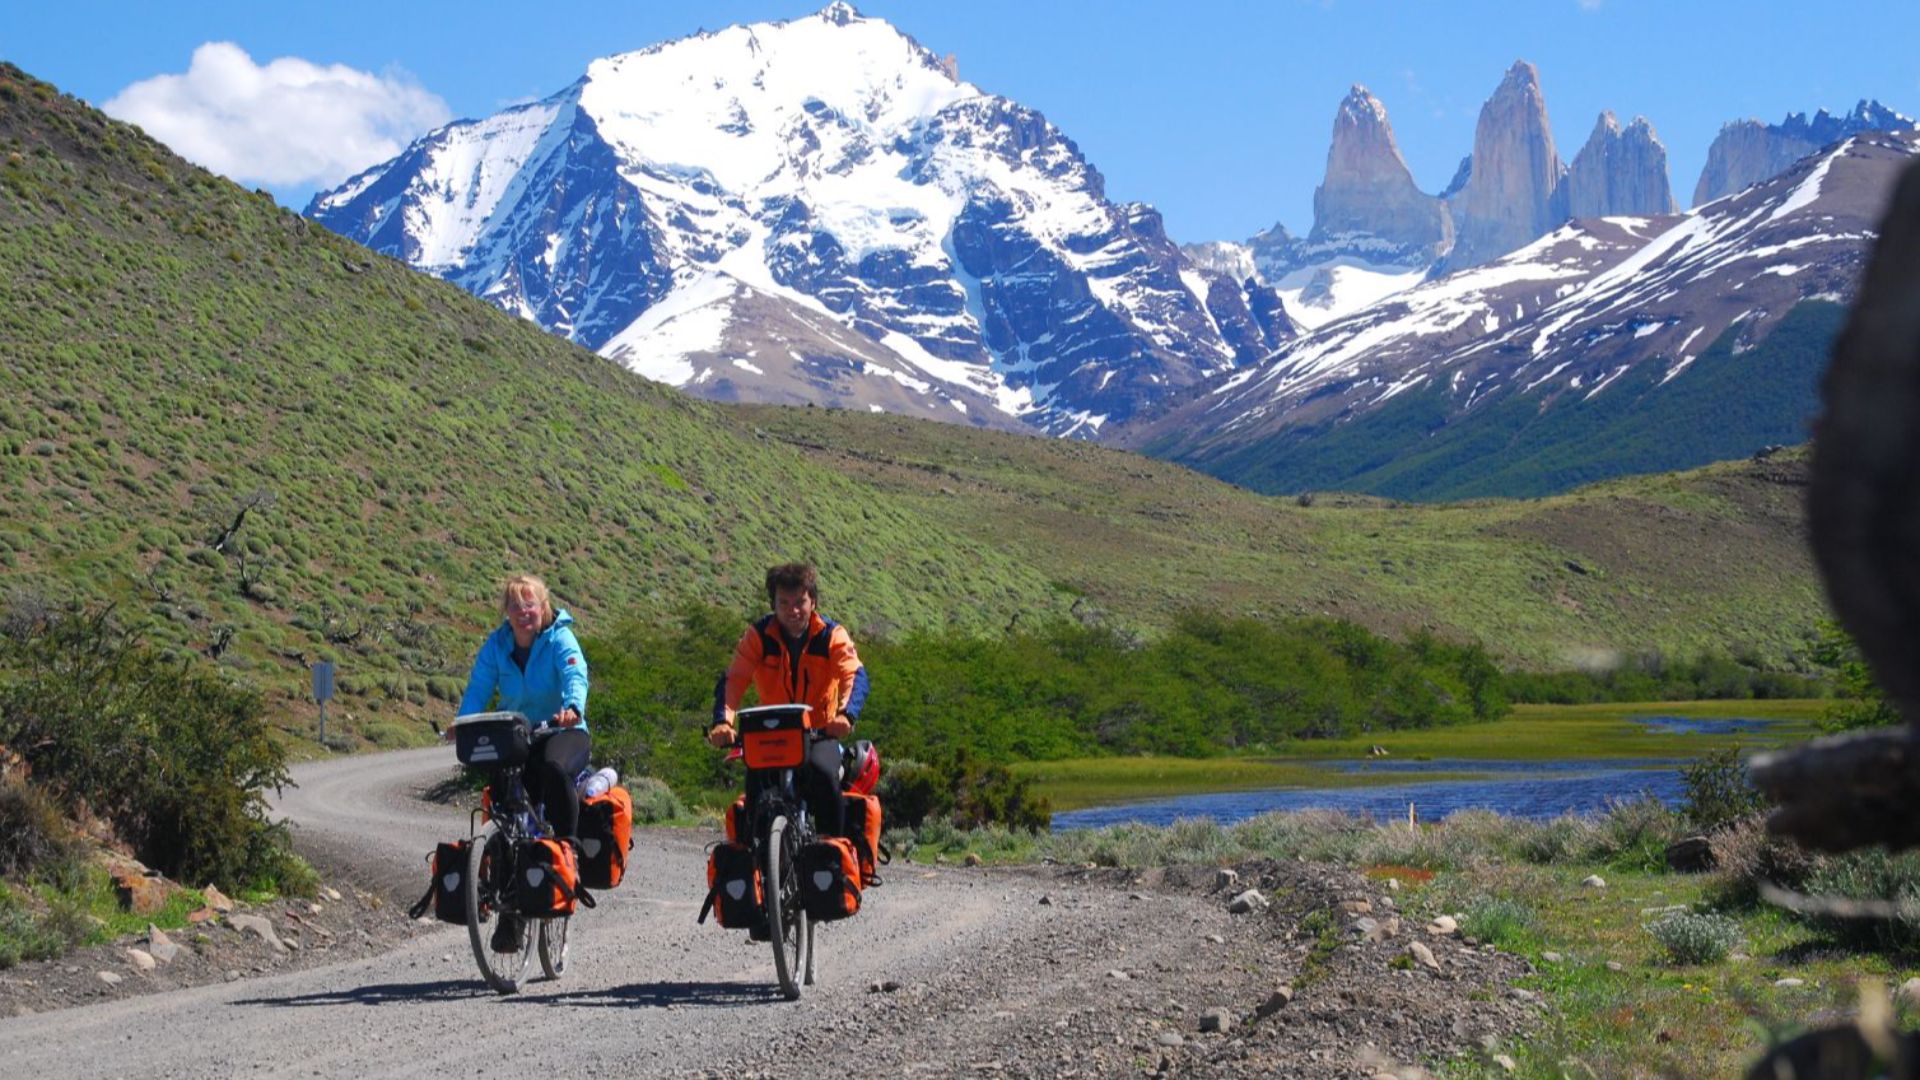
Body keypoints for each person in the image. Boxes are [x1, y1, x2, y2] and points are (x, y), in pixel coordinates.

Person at [709, 562, 868, 839]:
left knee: (823, 774)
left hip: (818, 733)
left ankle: (833, 853)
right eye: (784, 603)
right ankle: (755, 864)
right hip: (772, 733)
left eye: (800, 602)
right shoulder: (758, 637)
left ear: (813, 601)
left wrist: (845, 715)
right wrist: (723, 722)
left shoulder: (831, 635)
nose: (793, 610)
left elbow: (853, 674)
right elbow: (734, 679)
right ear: (773, 604)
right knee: (756, 790)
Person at [457, 573, 591, 846]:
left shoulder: (560, 638)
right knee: (501, 784)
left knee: (554, 767)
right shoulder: (497, 644)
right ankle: (501, 859)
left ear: (543, 606)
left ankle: (567, 849)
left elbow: (574, 674)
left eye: (529, 605)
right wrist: (462, 722)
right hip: (517, 734)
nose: (523, 612)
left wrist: (573, 707)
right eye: (515, 606)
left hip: (561, 730)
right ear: (506, 611)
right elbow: (479, 686)